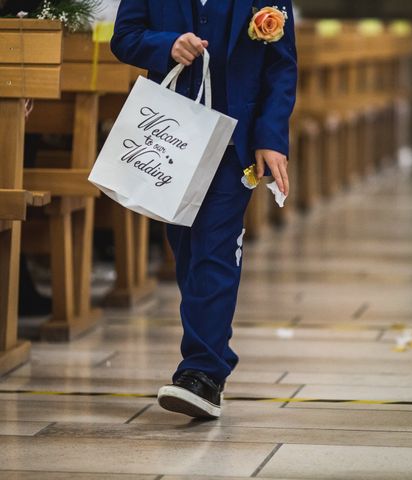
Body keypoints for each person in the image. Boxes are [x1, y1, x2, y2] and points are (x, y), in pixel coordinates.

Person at [111, 0, 297, 419]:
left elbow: (281, 66)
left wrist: (271, 137)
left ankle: (203, 373)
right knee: (189, 252)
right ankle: (205, 359)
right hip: (172, 137)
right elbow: (123, 38)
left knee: (215, 249)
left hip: (236, 141)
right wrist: (166, 44)